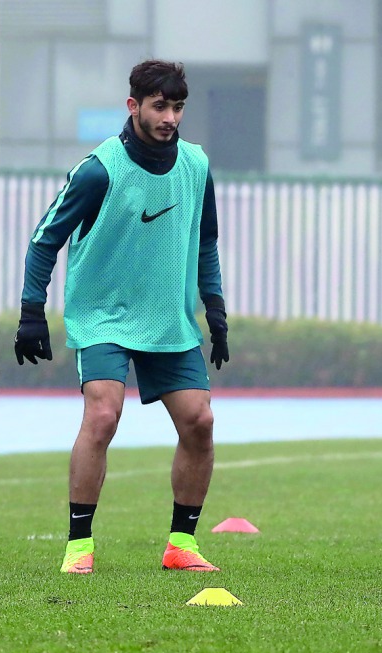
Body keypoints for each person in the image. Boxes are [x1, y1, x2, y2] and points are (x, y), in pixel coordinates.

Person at [15, 60, 229, 575]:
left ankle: (181, 545)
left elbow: (206, 243)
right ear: (133, 106)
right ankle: (79, 547)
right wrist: (31, 310)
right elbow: (44, 240)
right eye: (160, 106)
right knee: (104, 415)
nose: (170, 117)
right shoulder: (99, 169)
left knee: (200, 422)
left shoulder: (196, 165)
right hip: (103, 316)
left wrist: (216, 309)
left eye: (178, 107)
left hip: (168, 319)